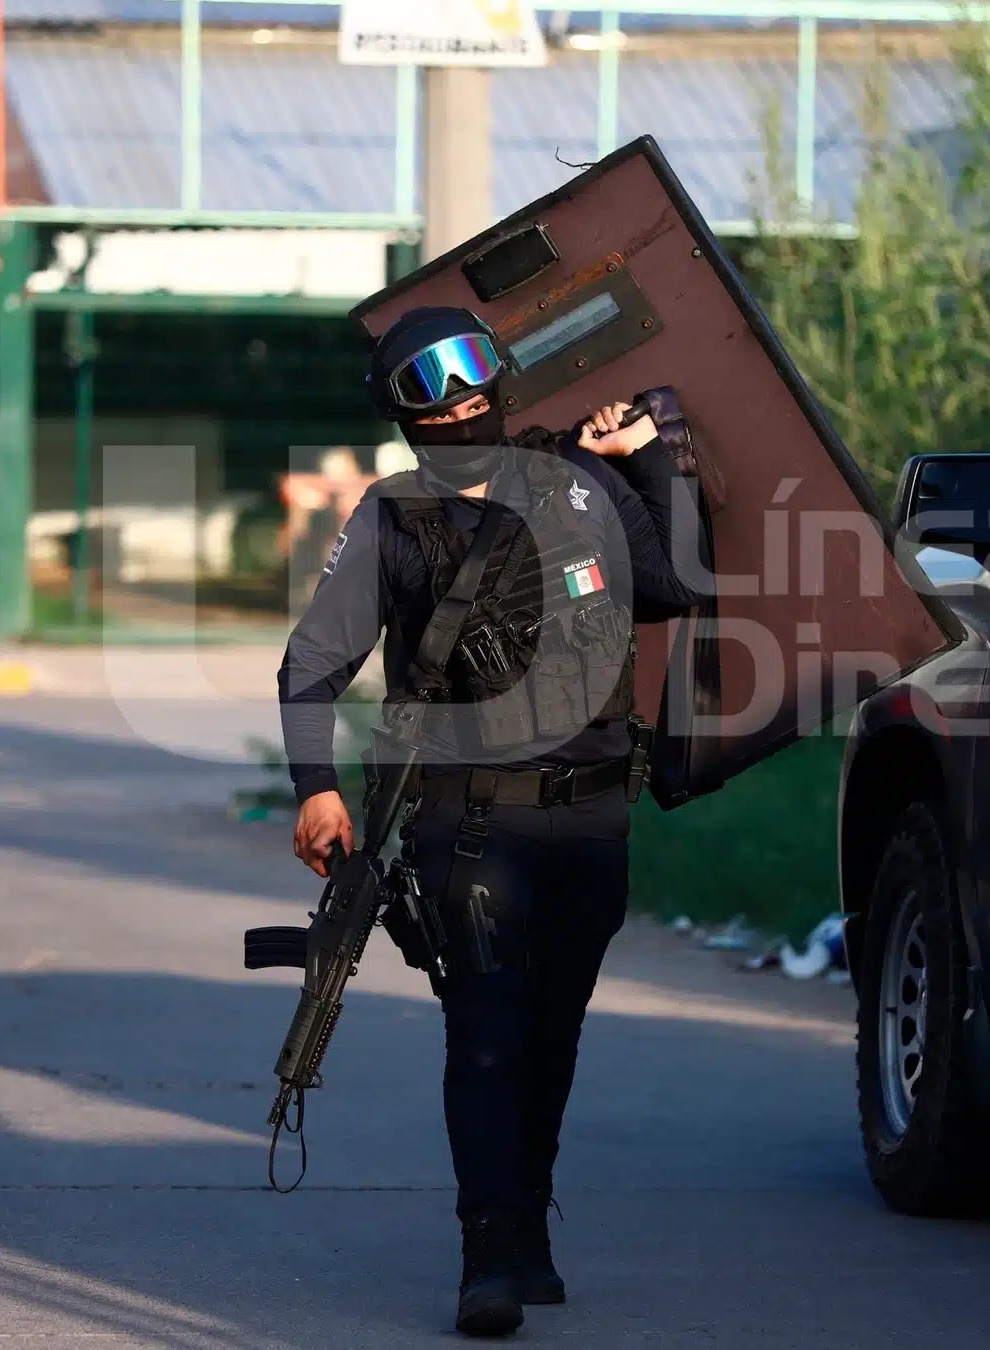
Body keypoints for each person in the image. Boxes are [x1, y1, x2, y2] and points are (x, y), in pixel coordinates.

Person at [278, 306, 703, 1337]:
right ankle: (487, 1256)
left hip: (592, 816)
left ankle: (528, 1230)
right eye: (430, 389)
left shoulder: (583, 484)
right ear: (402, 417)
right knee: (484, 1039)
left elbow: (674, 584)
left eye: (469, 374)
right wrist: (314, 785)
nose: (458, 397)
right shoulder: (391, 517)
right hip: (466, 827)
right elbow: (310, 663)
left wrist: (659, 458)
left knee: (550, 1037)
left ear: (499, 377)